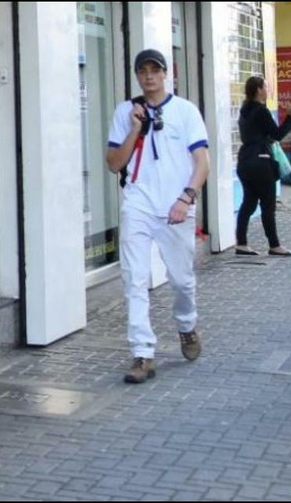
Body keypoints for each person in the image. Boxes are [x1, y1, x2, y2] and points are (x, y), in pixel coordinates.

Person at [106, 49, 210, 383]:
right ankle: (142, 353)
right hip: (138, 202)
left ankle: (186, 325)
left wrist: (186, 197)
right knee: (134, 278)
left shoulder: (185, 111)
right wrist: (135, 129)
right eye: (143, 71)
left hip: (176, 207)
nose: (149, 76)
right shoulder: (126, 112)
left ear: (166, 74)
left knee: (181, 280)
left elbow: (202, 163)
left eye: (155, 70)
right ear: (137, 75)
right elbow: (113, 163)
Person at [235, 76, 291, 257]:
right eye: (266, 87)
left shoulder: (244, 111)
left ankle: (241, 243)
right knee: (268, 205)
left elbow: (257, 134)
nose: (268, 90)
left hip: (245, 160)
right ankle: (274, 245)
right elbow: (277, 134)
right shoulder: (261, 111)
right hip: (261, 161)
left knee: (248, 202)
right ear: (258, 90)